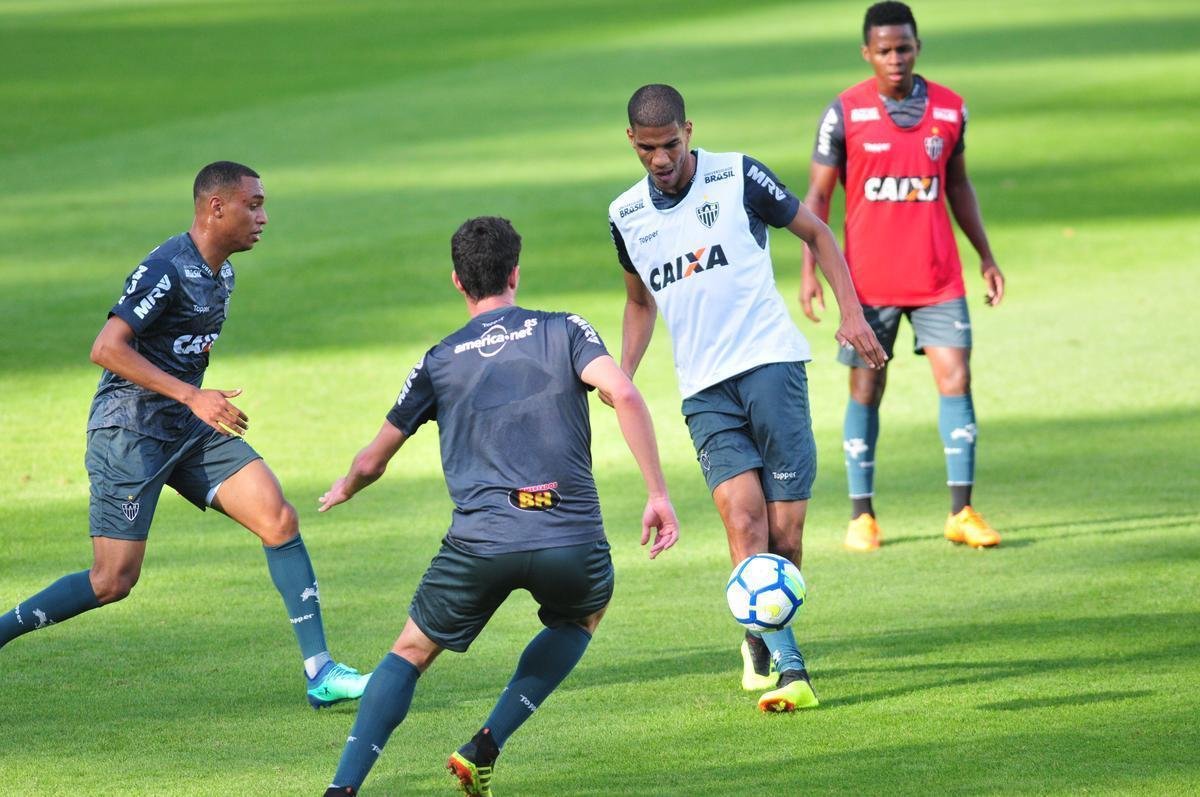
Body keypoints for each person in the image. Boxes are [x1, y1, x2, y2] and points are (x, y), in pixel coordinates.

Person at [318, 216, 679, 797]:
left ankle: (342, 789)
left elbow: (372, 459)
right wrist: (658, 494)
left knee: (409, 653)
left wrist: (346, 487)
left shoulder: (437, 361)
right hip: (569, 540)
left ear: (458, 282)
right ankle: (485, 744)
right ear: (515, 272)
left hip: (479, 546)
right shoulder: (566, 330)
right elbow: (625, 392)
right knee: (582, 615)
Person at [0, 161, 369, 709]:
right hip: (129, 433)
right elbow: (106, 347)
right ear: (216, 207)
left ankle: (320, 672)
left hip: (188, 430)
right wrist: (193, 395)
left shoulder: (223, 274)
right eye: (254, 205)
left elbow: (179, 351)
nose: (263, 217)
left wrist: (194, 397)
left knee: (278, 518)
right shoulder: (166, 269)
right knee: (113, 580)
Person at [608, 84, 886, 712]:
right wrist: (623, 371)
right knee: (742, 519)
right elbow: (637, 301)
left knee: (785, 538)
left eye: (671, 145)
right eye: (647, 148)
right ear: (632, 141)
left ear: (689, 131)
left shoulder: (738, 175)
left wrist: (852, 313)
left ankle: (759, 631)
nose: (660, 159)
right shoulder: (625, 215)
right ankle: (790, 668)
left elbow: (817, 233)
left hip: (771, 368)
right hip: (704, 390)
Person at [801, 1, 1007, 553]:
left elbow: (959, 186)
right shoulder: (844, 113)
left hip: (938, 278)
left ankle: (961, 511)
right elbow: (817, 197)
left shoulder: (950, 110)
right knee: (866, 388)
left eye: (905, 47)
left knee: (956, 381)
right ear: (867, 53)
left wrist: (985, 254)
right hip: (866, 284)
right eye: (885, 50)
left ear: (918, 47)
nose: (896, 58)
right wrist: (810, 270)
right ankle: (861, 516)